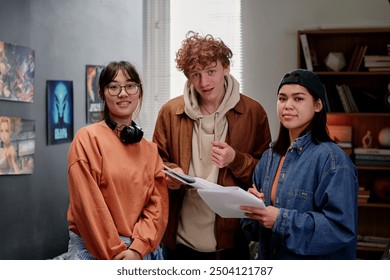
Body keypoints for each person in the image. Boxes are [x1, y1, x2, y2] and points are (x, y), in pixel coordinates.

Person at [152, 31, 271, 260]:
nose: (204, 82)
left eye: (211, 72)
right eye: (195, 74)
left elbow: (266, 175)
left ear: (226, 67)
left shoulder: (253, 113)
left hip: (231, 243)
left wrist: (235, 160)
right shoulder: (169, 112)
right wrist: (169, 174)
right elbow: (153, 164)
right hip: (178, 243)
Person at [240, 69, 358, 259]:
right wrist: (250, 208)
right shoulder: (269, 158)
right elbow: (254, 233)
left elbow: (340, 229)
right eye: (282, 98)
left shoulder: (333, 160)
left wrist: (280, 219)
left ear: (318, 105)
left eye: (298, 99)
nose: (287, 106)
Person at [66, 61, 168, 260]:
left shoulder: (150, 150)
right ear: (103, 94)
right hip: (95, 251)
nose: (123, 93)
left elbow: (157, 207)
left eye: (130, 85)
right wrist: (118, 256)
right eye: (114, 87)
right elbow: (89, 207)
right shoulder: (87, 139)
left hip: (140, 252)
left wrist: (137, 250)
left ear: (139, 92)